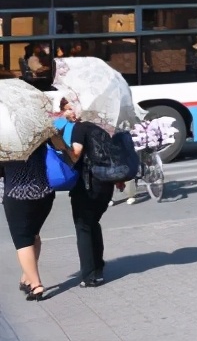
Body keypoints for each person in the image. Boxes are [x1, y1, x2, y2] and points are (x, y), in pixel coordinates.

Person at [56, 101, 117, 287]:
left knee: (83, 226)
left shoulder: (79, 128)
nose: (67, 113)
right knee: (93, 223)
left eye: (70, 108)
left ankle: (90, 275)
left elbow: (76, 153)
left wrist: (60, 146)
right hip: (106, 185)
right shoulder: (102, 128)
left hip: (87, 185)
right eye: (65, 109)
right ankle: (98, 266)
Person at [3, 139, 59, 301]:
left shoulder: (5, 140)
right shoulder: (38, 132)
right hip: (44, 193)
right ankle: (27, 277)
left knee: (22, 240)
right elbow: (61, 147)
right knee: (34, 235)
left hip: (18, 195)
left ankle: (36, 284)